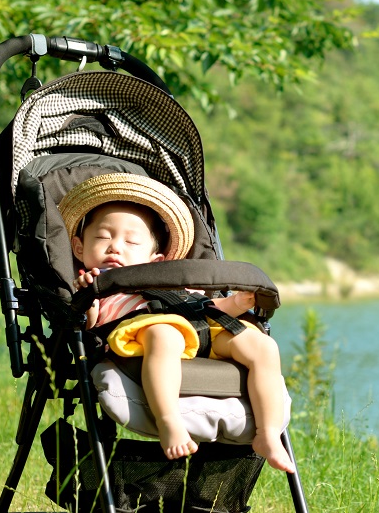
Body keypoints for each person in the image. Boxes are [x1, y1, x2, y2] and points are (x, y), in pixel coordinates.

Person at [58, 173, 295, 472]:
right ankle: (169, 419)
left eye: (131, 241)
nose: (115, 247)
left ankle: (268, 434)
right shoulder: (96, 285)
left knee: (263, 346)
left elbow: (206, 307)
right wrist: (87, 296)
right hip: (145, 333)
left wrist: (235, 304)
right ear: (79, 248)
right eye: (103, 237)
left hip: (203, 329)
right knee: (165, 333)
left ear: (155, 261)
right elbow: (87, 322)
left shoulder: (172, 282)